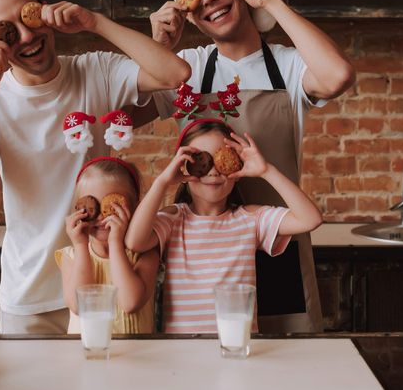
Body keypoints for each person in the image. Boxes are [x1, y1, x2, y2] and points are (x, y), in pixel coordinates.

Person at [0, 0, 190, 334]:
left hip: (102, 287)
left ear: (44, 10)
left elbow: (176, 75)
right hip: (29, 296)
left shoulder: (95, 71)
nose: (28, 36)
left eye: (28, 16)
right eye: (7, 31)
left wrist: (93, 21)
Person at [139, 0, 356, 333]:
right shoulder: (187, 68)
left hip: (278, 240)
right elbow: (125, 115)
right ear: (188, 14)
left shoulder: (288, 66)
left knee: (283, 374)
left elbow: (338, 76)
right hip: (204, 254)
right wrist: (157, 48)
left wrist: (270, 1)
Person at [125, 119, 323, 333]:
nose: (212, 172)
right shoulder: (173, 219)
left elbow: (310, 219)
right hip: (183, 351)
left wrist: (266, 170)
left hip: (239, 346)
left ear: (236, 167)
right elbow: (135, 242)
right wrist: (162, 182)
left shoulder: (250, 219)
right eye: (202, 161)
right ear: (184, 168)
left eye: (220, 161)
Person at [55, 157, 159, 334]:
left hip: (138, 356)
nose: (101, 216)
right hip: (86, 356)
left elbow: (130, 302)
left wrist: (115, 243)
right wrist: (80, 245)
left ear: (135, 208)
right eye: (90, 207)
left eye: (113, 206)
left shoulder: (145, 254)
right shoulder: (71, 256)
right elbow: (79, 306)